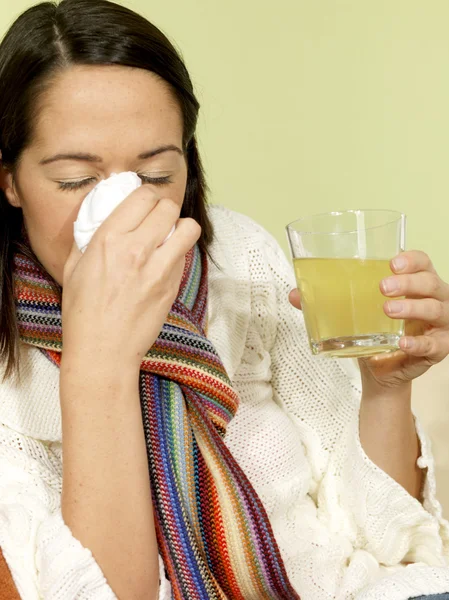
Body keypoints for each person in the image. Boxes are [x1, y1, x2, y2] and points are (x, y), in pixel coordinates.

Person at [0, 1, 448, 599]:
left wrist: (387, 387)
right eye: (76, 180)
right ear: (8, 179)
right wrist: (99, 364)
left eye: (156, 174)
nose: (126, 210)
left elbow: (385, 543)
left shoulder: (240, 257)